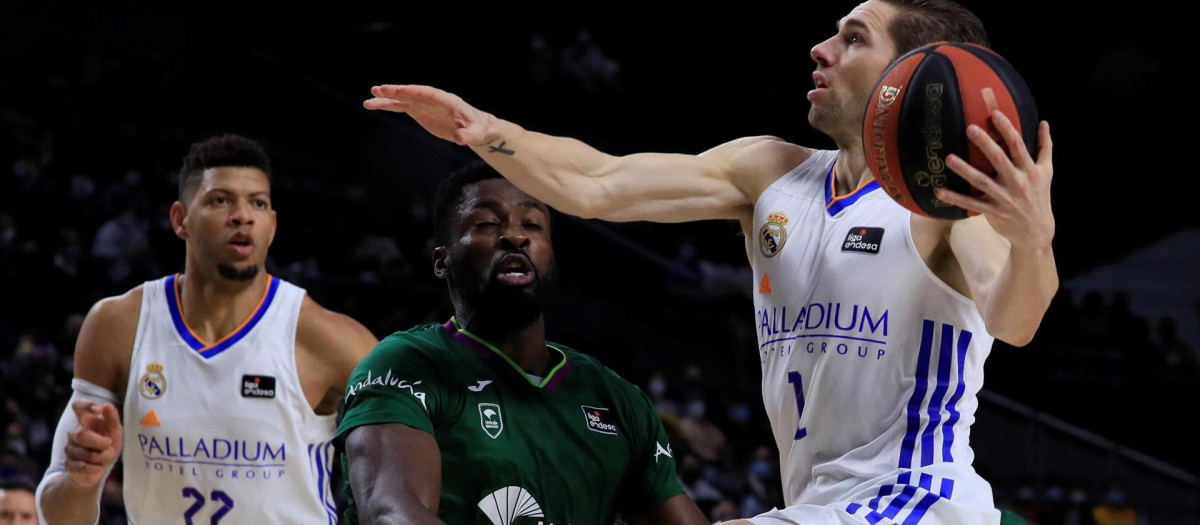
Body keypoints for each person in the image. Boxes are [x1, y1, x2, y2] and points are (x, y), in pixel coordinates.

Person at [362, 1, 1058, 523]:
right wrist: (483, 131)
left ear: (911, 74)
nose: (819, 49)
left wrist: (1029, 237)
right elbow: (598, 183)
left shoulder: (947, 206)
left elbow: (1018, 317)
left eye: (851, 39)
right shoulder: (769, 173)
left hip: (916, 503)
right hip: (818, 503)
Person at [335, 161, 709, 525]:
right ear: (442, 261)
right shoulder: (406, 365)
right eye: (487, 223)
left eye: (532, 224)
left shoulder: (618, 399)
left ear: (551, 257)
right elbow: (392, 513)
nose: (515, 236)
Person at [35, 135, 378, 524]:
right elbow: (56, 515)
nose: (242, 215)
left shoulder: (330, 341)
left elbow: (413, 467)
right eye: (220, 200)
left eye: (258, 203)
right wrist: (81, 481)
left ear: (272, 226)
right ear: (180, 219)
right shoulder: (118, 326)